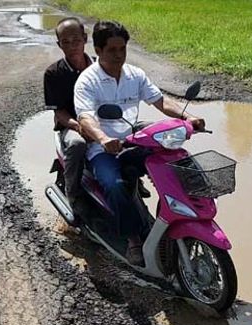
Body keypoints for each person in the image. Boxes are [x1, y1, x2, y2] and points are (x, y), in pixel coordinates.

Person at [74, 20, 206, 266]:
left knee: (175, 159)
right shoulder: (87, 81)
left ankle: (183, 216)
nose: (118, 55)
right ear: (99, 50)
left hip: (133, 140)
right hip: (102, 149)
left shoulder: (135, 75)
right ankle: (133, 238)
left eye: (122, 49)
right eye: (111, 50)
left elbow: (160, 101)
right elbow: (85, 118)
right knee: (114, 185)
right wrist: (103, 138)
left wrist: (188, 117)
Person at [43, 17, 94, 219]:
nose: (72, 46)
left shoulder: (100, 68)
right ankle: (74, 196)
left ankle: (135, 183)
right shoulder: (53, 73)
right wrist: (78, 126)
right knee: (77, 145)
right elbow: (59, 112)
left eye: (76, 40)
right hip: (71, 126)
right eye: (66, 42)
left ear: (85, 39)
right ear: (59, 45)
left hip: (102, 121)